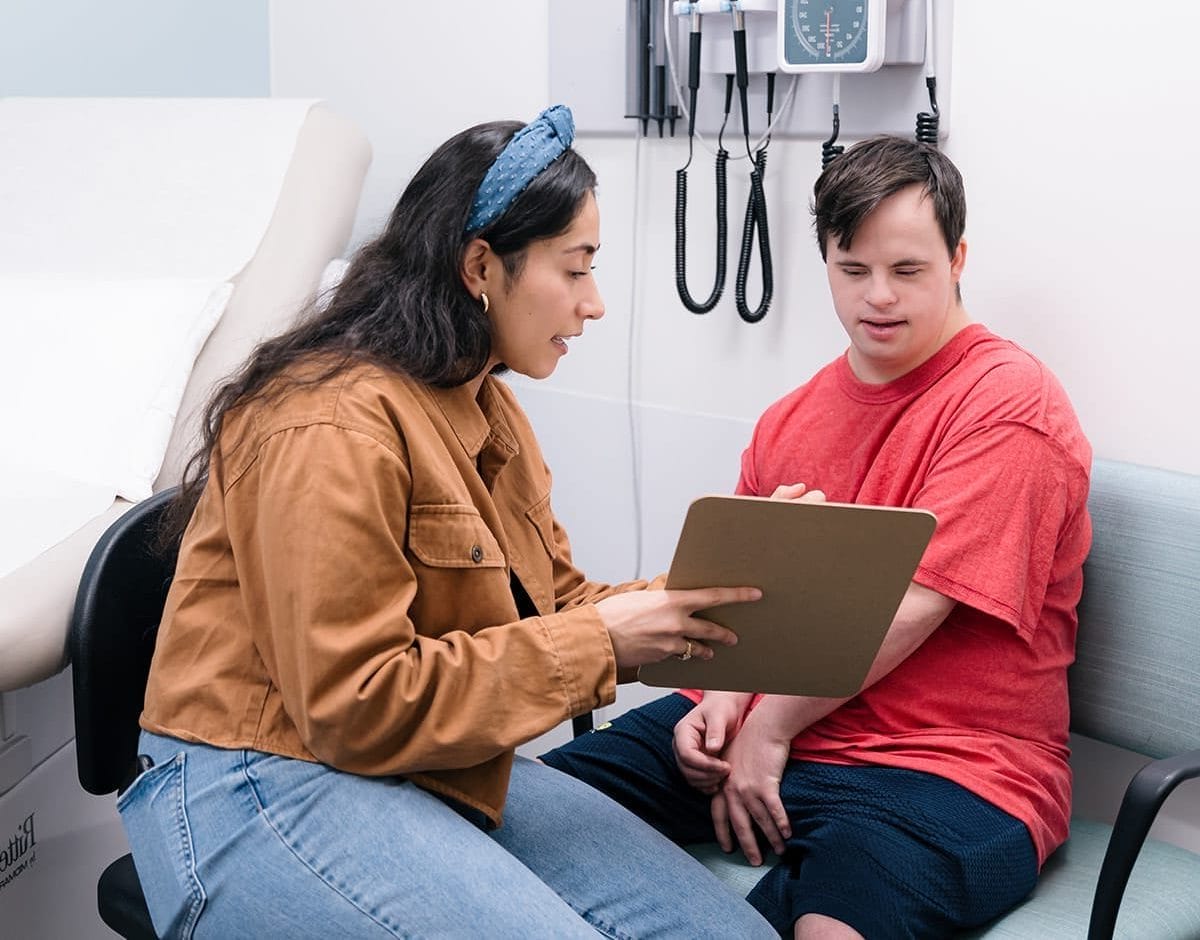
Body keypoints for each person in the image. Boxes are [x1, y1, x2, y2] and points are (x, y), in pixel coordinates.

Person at [119, 105, 778, 938]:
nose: (596, 303)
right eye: (575, 270)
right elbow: (352, 704)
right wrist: (606, 642)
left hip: (412, 763)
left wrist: (723, 590)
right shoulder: (327, 424)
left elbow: (554, 604)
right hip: (255, 776)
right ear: (480, 266)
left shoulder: (482, 402)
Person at [541, 135, 1093, 939]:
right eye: (853, 269)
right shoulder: (792, 417)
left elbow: (904, 610)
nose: (880, 297)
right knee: (516, 813)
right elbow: (739, 596)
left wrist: (768, 730)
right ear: (825, 260)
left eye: (908, 271)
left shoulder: (1010, 406)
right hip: (776, 724)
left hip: (950, 766)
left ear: (958, 258)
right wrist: (725, 706)